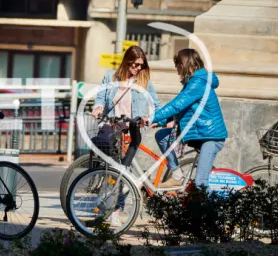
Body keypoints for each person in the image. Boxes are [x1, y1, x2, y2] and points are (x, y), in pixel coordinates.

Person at [91, 45, 161, 227]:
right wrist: (98, 107)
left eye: (141, 65)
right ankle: (103, 207)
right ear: (127, 62)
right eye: (135, 65)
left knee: (124, 173)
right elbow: (100, 97)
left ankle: (116, 210)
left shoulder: (144, 81)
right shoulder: (111, 76)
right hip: (112, 128)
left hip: (132, 132)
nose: (138, 68)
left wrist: (155, 119)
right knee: (109, 170)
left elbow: (156, 104)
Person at [151, 48, 228, 190]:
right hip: (198, 132)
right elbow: (181, 108)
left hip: (211, 136)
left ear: (185, 64)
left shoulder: (199, 82)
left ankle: (215, 211)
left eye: (177, 64)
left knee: (201, 183)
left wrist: (152, 117)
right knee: (162, 135)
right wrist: (159, 121)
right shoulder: (191, 82)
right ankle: (177, 175)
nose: (176, 68)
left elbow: (177, 105)